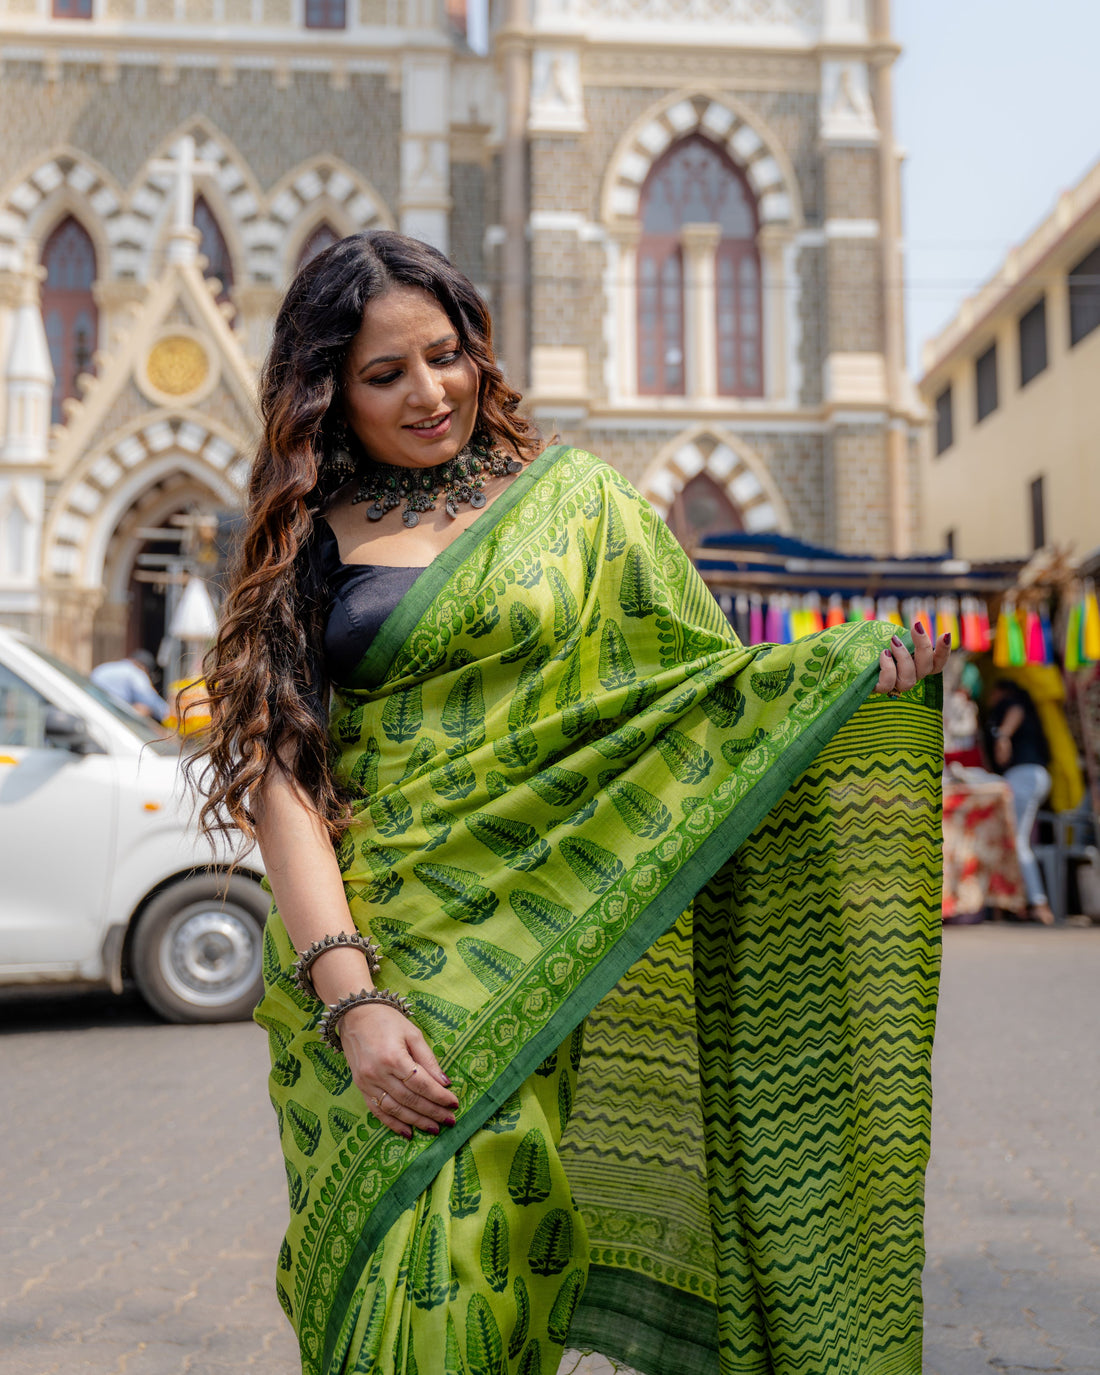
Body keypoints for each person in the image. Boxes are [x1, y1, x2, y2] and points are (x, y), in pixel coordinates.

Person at [194, 231, 950, 1375]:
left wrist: (844, 686)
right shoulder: (308, 537)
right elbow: (282, 778)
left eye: (444, 355)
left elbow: (694, 699)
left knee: (483, 1266)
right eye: (384, 374)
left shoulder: (579, 505)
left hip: (528, 944)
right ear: (329, 392)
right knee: (381, 1282)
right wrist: (353, 1001)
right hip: (361, 948)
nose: (428, 392)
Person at [986, 679, 1055, 924]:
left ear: (1001, 692)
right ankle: (1019, 903)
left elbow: (1015, 711)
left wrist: (1003, 736)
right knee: (1015, 840)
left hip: (1023, 776)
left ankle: (1038, 903)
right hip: (1035, 776)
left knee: (1017, 841)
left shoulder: (1012, 703)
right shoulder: (1029, 714)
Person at [89, 648, 170, 722]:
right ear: (143, 667)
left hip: (92, 711)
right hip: (111, 717)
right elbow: (148, 698)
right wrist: (166, 712)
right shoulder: (134, 672)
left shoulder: (103, 667)